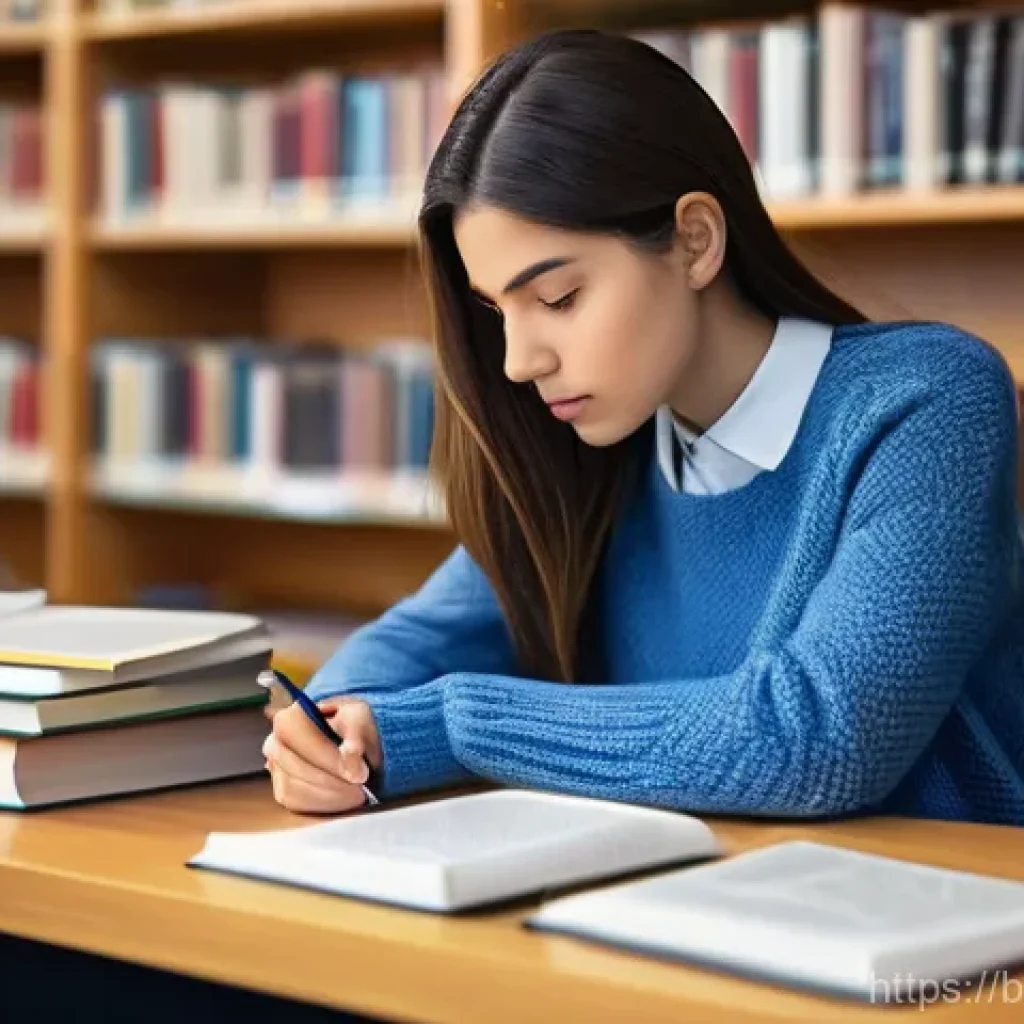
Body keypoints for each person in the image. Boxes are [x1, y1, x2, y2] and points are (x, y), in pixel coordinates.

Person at [263, 28, 1024, 825]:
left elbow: (819, 739)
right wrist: (321, 739)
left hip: (937, 927)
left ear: (694, 241)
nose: (519, 362)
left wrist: (449, 725)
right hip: (699, 907)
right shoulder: (593, 450)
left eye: (557, 299)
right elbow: (403, 654)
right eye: (498, 314)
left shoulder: (928, 402)